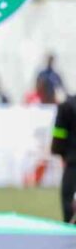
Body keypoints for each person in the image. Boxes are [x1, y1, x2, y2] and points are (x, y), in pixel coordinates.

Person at [50, 93, 76, 223]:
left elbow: (59, 135)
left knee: (68, 201)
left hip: (72, 162)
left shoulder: (66, 107)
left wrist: (59, 151)